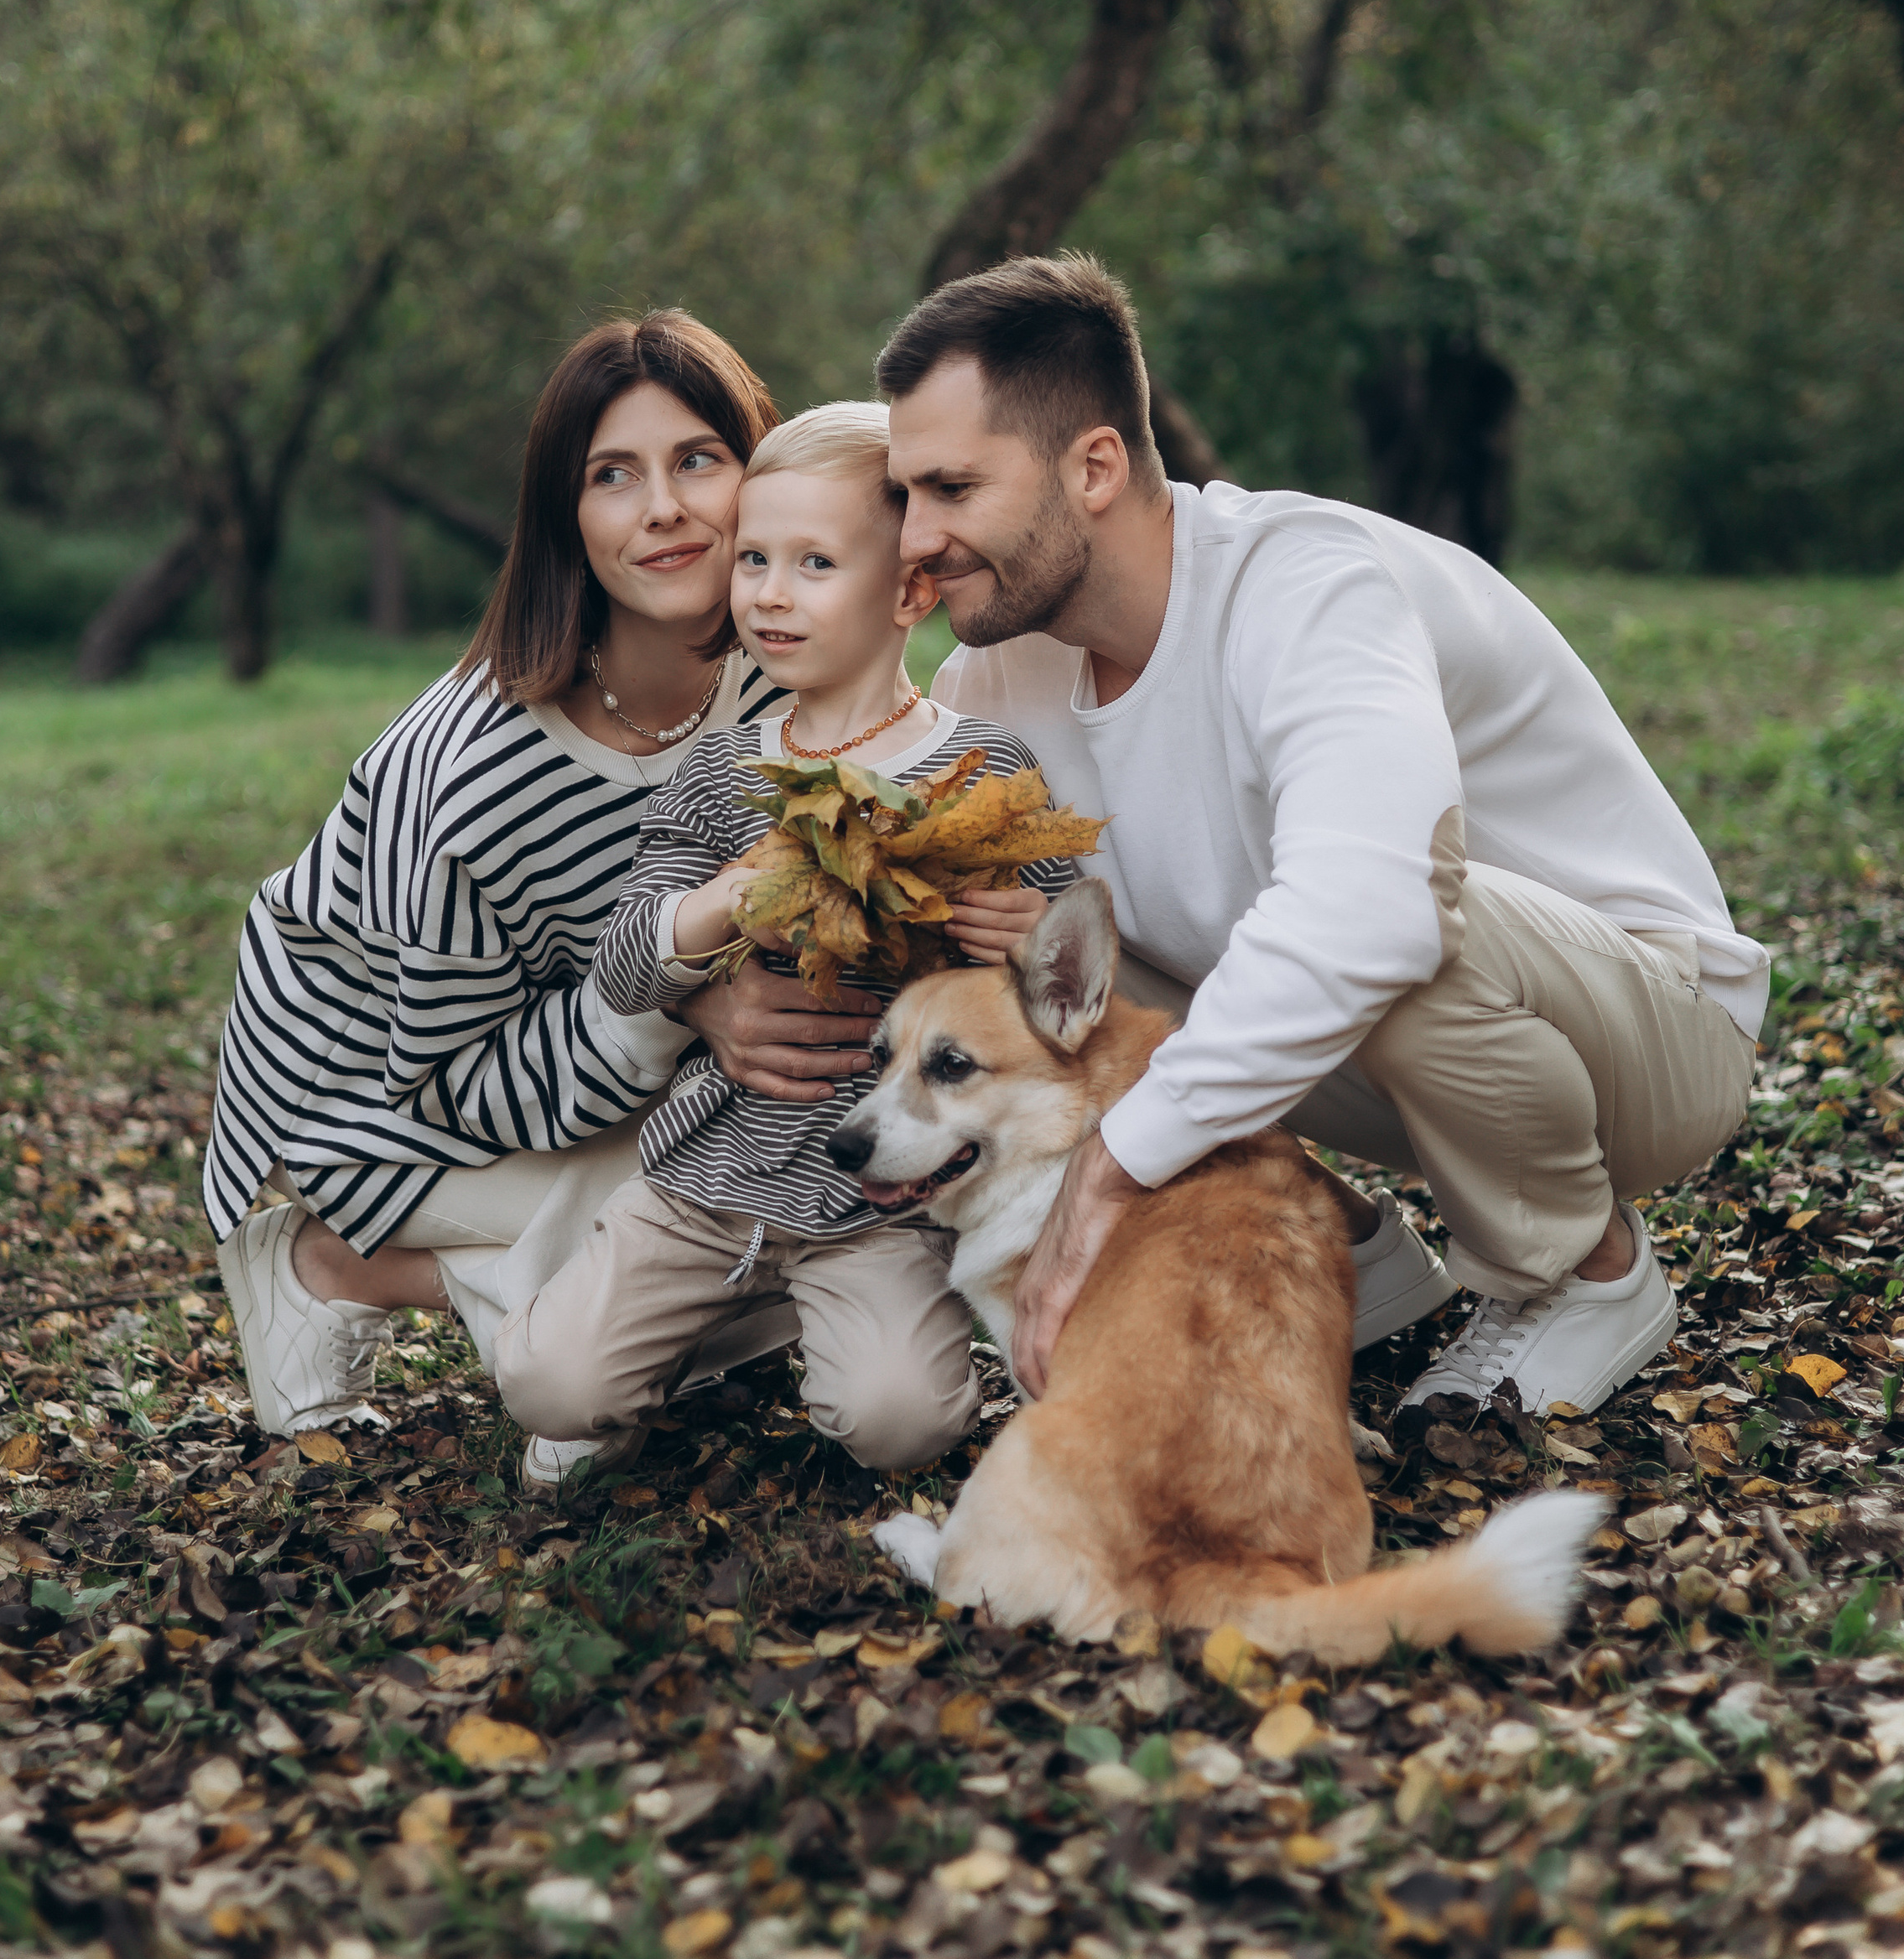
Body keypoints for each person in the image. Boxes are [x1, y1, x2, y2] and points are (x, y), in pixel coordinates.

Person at [878, 252, 1766, 1421]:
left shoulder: (1305, 586)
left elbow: (1378, 910)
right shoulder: (1004, 668)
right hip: (1409, 1069)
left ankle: (1585, 1273)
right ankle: (1352, 1248)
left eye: (950, 489)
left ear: (1094, 466)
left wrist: (1113, 1166)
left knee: (1392, 909)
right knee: (1029, 939)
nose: (914, 539)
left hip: (1648, 1036)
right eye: (903, 498)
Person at [206, 309, 835, 1438]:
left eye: (700, 458)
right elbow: (452, 1081)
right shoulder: (480, 777)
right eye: (613, 476)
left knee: (789, 1174)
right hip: (376, 1098)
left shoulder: (778, 671)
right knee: (722, 1222)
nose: (664, 509)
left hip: (592, 1043)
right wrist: (689, 1000)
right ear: (565, 521)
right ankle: (333, 1264)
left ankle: (611, 1315)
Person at [493, 403, 1078, 1489]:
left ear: (908, 590)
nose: (768, 591)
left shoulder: (984, 775)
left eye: (814, 563)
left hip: (883, 1202)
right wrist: (724, 901)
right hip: (706, 1177)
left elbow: (1070, 978)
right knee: (549, 1385)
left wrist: (1028, 937)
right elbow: (624, 965)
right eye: (754, 558)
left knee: (901, 1423)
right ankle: (645, 1337)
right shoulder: (724, 775)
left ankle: (815, 1328)